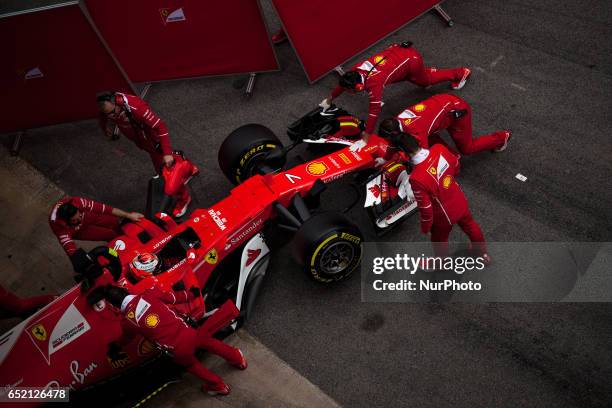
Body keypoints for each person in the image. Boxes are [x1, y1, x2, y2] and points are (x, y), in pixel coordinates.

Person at [319, 42, 471, 146]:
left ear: (359, 87)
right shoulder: (354, 72)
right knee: (420, 77)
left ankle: (460, 73)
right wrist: (329, 99)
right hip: (398, 54)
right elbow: (343, 84)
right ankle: (425, 73)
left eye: (349, 91)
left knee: (425, 81)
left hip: (410, 60)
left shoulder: (374, 84)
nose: (348, 92)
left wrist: (365, 137)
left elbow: (374, 112)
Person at [104, 285, 246, 396]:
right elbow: (173, 297)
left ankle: (218, 386)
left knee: (191, 366)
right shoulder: (148, 294)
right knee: (210, 343)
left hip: (177, 350)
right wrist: (191, 294)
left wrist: (115, 346)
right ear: (125, 290)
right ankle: (238, 358)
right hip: (189, 334)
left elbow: (126, 338)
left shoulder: (127, 322)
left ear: (114, 307)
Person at [392, 132, 491, 263]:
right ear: (417, 141)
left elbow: (426, 209)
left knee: (438, 239)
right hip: (459, 199)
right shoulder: (439, 148)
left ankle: (441, 263)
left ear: (404, 153)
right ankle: (483, 254)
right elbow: (456, 166)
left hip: (443, 215)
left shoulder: (416, 178)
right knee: (471, 226)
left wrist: (425, 228)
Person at [97, 91, 198, 217]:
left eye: (112, 113)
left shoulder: (136, 107)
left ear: (118, 102)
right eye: (108, 114)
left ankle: (184, 199)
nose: (111, 116)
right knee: (170, 161)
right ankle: (189, 168)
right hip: (142, 141)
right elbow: (104, 117)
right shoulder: (108, 107)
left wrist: (166, 153)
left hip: (153, 140)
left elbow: (160, 126)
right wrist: (106, 129)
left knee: (167, 174)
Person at [379, 94, 511, 155]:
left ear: (395, 132)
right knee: (427, 136)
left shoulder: (416, 129)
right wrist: (385, 158)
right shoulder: (397, 120)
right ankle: (452, 155)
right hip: (443, 102)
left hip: (457, 112)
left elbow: (421, 155)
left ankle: (501, 138)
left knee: (467, 149)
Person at [49, 196, 143, 257]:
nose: (79, 219)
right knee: (110, 235)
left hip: (89, 217)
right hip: (81, 231)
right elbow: (70, 249)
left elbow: (105, 209)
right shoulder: (59, 228)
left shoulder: (78, 202)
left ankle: (131, 240)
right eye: (75, 220)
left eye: (79, 215)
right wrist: (78, 259)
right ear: (67, 222)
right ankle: (125, 252)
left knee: (113, 221)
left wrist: (129, 215)